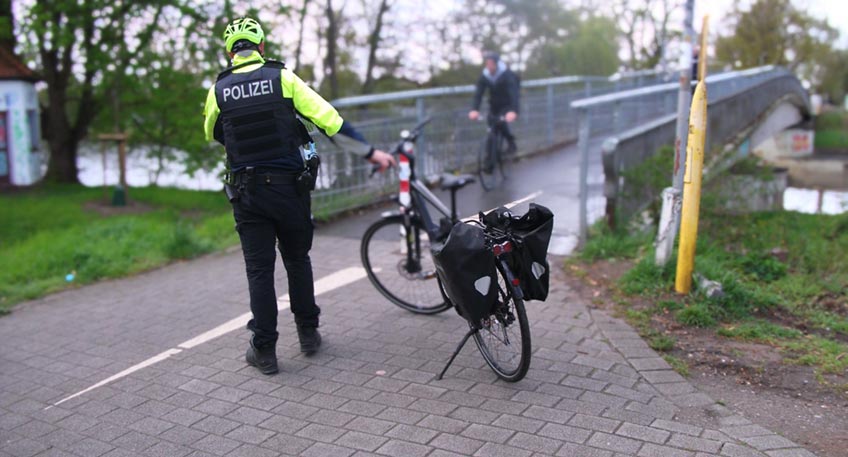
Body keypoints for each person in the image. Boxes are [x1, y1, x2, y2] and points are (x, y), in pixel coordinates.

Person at [203, 17, 395, 375]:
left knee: (259, 270)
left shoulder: (219, 90)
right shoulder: (284, 79)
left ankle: (264, 350)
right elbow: (330, 120)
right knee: (296, 260)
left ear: (230, 52)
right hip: (290, 188)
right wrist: (370, 153)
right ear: (261, 47)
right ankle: (308, 333)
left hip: (247, 191)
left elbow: (213, 131)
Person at [468, 51, 520, 155]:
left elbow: (514, 94)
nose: (489, 66)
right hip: (494, 104)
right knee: (491, 127)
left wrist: (514, 111)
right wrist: (474, 109)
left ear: (496, 64)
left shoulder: (507, 74)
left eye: (491, 64)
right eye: (487, 64)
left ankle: (511, 143)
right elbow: (479, 94)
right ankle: (489, 161)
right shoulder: (485, 76)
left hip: (507, 104)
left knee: (501, 123)